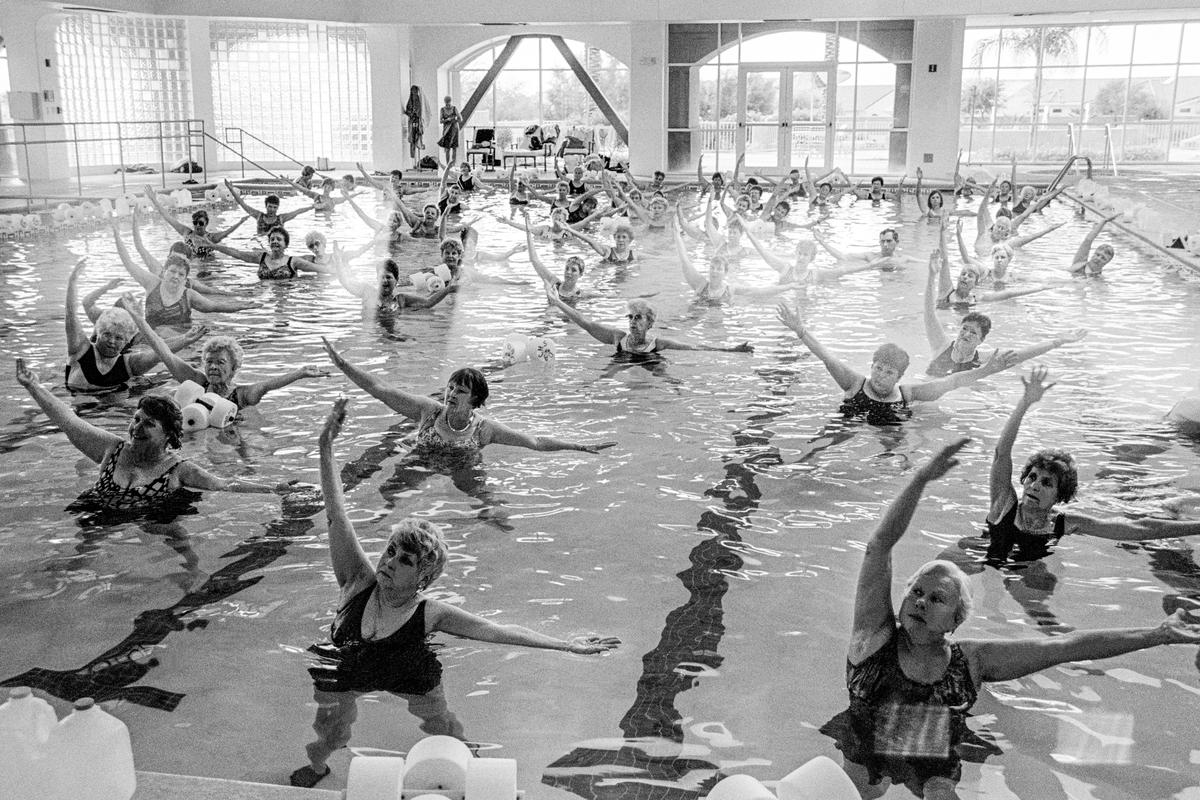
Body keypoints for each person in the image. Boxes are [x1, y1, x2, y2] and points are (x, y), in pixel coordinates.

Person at [831, 438, 1200, 800]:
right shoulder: (874, 638)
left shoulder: (972, 662)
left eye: (937, 598)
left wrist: (1158, 634)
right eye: (916, 592)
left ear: (955, 622)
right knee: (862, 789)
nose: (921, 603)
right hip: (866, 747)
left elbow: (1066, 648)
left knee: (938, 790)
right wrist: (921, 478)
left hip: (932, 759)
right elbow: (878, 546)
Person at [288, 398, 620, 788]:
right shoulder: (356, 581)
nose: (390, 561)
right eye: (391, 550)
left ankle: (473, 768)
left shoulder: (431, 613)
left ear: (423, 578)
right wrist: (325, 445)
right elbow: (335, 512)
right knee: (330, 730)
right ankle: (318, 764)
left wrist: (567, 645)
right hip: (347, 666)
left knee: (441, 726)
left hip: (409, 672)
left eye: (405, 560)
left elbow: (497, 631)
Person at [986, 368, 1200, 565]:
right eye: (1032, 477)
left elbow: (1139, 529)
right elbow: (1000, 454)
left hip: (1027, 566)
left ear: (1059, 496)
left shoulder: (1063, 523)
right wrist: (1024, 403)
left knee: (1041, 586)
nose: (1035, 486)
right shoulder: (1004, 507)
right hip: (1000, 560)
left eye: (1046, 483)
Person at [17, 358, 293, 508]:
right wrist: (33, 386)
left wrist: (274, 489)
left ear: (168, 435)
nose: (136, 428)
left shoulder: (179, 469)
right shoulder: (112, 449)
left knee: (178, 541)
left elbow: (225, 484)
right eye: (136, 419)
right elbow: (68, 420)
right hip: (98, 515)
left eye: (148, 424)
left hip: (153, 519)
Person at [322, 340, 616, 455]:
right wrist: (344, 365)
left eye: (460, 391)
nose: (450, 394)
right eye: (450, 387)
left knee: (483, 505)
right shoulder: (429, 412)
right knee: (390, 495)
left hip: (463, 471)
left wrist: (579, 446)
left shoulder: (485, 429)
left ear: (474, 401)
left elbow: (535, 442)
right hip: (421, 462)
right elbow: (381, 390)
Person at [776, 303, 1020, 425]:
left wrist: (987, 371)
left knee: (900, 454)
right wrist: (800, 330)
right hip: (849, 426)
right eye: (878, 368)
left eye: (888, 372)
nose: (880, 375)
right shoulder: (855, 383)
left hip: (889, 431)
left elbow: (953, 381)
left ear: (899, 377)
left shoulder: (908, 393)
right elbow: (826, 357)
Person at [125, 308, 329, 410]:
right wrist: (138, 318)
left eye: (220, 363)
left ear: (233, 369)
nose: (212, 367)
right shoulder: (197, 382)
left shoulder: (241, 396)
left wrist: (301, 373)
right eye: (209, 362)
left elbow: (268, 385)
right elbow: (164, 353)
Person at [922, 257, 1086, 377]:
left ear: (981, 341)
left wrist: (1058, 342)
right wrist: (931, 276)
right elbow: (929, 313)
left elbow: (1023, 354)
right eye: (964, 329)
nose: (966, 334)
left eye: (973, 332)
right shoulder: (941, 346)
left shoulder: (982, 360)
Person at [110, 221, 259, 328]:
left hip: (179, 337)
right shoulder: (153, 279)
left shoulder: (189, 291)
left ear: (186, 273)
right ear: (167, 264)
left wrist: (238, 301)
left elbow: (214, 304)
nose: (176, 275)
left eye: (181, 273)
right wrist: (127, 226)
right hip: (156, 338)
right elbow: (133, 256)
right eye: (173, 270)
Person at [63, 259, 180, 393]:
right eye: (107, 334)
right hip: (85, 392)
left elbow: (161, 350)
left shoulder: (137, 340)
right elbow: (72, 315)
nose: (112, 341)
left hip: (115, 391)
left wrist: (187, 338)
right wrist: (73, 282)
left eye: (118, 337)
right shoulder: (97, 326)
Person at [544, 290, 753, 359]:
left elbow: (694, 347)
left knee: (666, 379)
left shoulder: (658, 343)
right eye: (630, 317)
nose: (633, 322)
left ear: (649, 324)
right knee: (605, 376)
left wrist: (730, 349)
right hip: (623, 362)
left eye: (638, 318)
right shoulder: (618, 337)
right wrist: (558, 302)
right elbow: (585, 323)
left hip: (650, 364)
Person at [672, 215, 802, 303]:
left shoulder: (731, 290)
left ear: (725, 272)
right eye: (712, 268)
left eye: (719, 269)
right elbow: (685, 260)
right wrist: (676, 233)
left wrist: (788, 286)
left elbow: (760, 292)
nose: (715, 271)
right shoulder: (700, 284)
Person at [331, 245, 457, 315]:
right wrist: (338, 262)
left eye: (389, 277)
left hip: (391, 332)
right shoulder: (367, 292)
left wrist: (449, 289)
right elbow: (345, 282)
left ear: (396, 281)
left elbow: (428, 303)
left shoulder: (401, 299)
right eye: (381, 277)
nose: (385, 281)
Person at [142, 189, 247, 257]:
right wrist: (154, 200)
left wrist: (240, 222)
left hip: (209, 266)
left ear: (206, 224)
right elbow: (168, 217)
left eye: (200, 223)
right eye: (195, 222)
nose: (197, 225)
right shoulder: (187, 233)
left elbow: (227, 232)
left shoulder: (211, 238)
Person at [207, 225, 333, 280]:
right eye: (272, 239)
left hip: (286, 298)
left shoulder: (293, 261)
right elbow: (237, 254)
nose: (274, 241)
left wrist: (341, 271)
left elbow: (321, 269)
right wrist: (215, 246)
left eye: (279, 239)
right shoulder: (261, 257)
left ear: (286, 244)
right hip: (263, 298)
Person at [813, 227, 923, 272]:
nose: (885, 244)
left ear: (897, 243)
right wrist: (822, 242)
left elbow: (926, 265)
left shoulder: (904, 259)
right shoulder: (870, 256)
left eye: (889, 241)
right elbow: (842, 257)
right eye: (882, 241)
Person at [224, 180, 312, 235]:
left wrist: (312, 207)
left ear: (277, 208)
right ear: (266, 206)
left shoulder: (281, 218)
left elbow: (298, 211)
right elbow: (243, 204)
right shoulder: (259, 216)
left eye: (274, 207)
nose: (272, 209)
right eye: (270, 206)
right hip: (261, 242)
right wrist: (231, 190)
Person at [1066, 212, 1121, 277]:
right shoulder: (1080, 262)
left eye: (1103, 258)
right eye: (1097, 254)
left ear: (1107, 262)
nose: (1098, 259)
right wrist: (1104, 221)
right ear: (1093, 254)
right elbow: (1088, 240)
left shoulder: (1098, 278)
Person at [562, 221, 636, 265]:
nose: (620, 240)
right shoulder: (608, 251)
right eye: (618, 237)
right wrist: (570, 230)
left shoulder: (634, 255)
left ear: (630, 240)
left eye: (624, 237)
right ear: (614, 238)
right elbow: (590, 241)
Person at [404, 85, 429, 164]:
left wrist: (416, 115)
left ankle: (419, 147)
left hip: (418, 121)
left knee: (418, 136)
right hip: (412, 121)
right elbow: (407, 110)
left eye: (415, 91)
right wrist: (411, 114)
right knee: (412, 138)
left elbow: (421, 111)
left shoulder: (419, 100)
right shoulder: (410, 100)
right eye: (412, 91)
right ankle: (412, 156)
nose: (414, 93)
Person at [437, 96, 463, 166]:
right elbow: (440, 121)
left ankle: (453, 164)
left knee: (454, 147)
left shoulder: (454, 108)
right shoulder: (442, 109)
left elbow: (460, 119)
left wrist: (454, 120)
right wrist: (447, 120)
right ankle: (448, 165)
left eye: (448, 102)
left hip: (454, 129)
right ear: (445, 102)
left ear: (450, 101)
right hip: (446, 130)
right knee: (447, 148)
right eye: (446, 102)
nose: (447, 104)